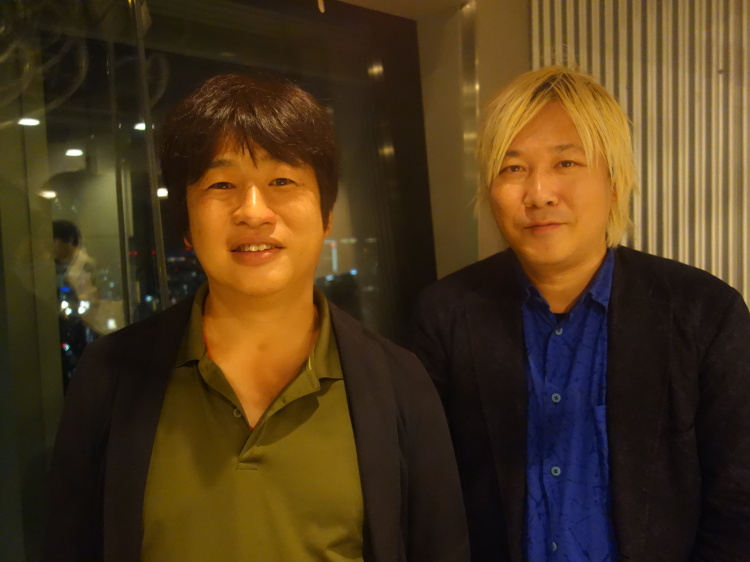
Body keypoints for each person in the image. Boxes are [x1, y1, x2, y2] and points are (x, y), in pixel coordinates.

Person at [44, 74, 469, 561]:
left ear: (327, 214)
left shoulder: (399, 383)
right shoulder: (109, 376)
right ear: (186, 222)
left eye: (282, 181)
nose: (253, 211)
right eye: (221, 184)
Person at [409, 66, 750, 561]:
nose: (539, 193)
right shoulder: (446, 315)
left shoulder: (704, 312)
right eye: (513, 168)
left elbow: (738, 502)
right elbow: (428, 495)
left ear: (615, 182)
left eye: (566, 163)